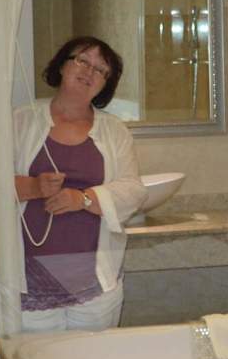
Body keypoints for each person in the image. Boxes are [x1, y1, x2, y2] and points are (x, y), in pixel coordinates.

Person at [12, 36, 146, 332]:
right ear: (62, 65)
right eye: (82, 61)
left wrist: (83, 199)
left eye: (100, 70)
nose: (89, 72)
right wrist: (34, 187)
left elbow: (133, 191)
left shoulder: (114, 130)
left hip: (95, 287)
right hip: (29, 286)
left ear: (105, 84)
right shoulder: (20, 121)